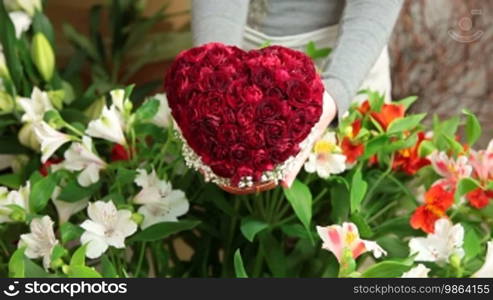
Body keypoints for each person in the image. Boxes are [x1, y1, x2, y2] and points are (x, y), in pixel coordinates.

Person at [189, 0, 404, 191]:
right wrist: (215, 77)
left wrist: (335, 92)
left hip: (349, 58)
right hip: (236, 46)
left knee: (347, 209)